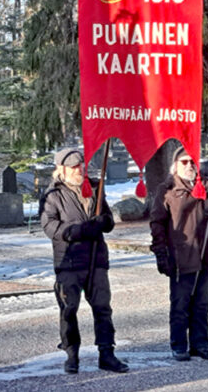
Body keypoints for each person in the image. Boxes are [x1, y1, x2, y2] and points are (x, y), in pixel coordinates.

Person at [40, 149, 128, 374]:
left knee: (102, 309)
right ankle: (72, 355)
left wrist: (104, 222)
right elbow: (50, 226)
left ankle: (107, 354)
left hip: (96, 259)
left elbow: (108, 219)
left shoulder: (95, 188)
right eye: (74, 167)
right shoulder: (53, 195)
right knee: (68, 309)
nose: (80, 170)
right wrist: (78, 231)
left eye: (81, 166)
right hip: (69, 261)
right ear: (62, 169)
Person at [150, 146, 208, 361]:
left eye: (193, 162)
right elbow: (157, 224)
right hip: (181, 255)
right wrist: (161, 254)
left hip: (207, 252)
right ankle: (178, 345)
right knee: (181, 302)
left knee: (201, 303)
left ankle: (200, 344)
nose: (189, 166)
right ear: (175, 166)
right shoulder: (166, 191)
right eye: (184, 162)